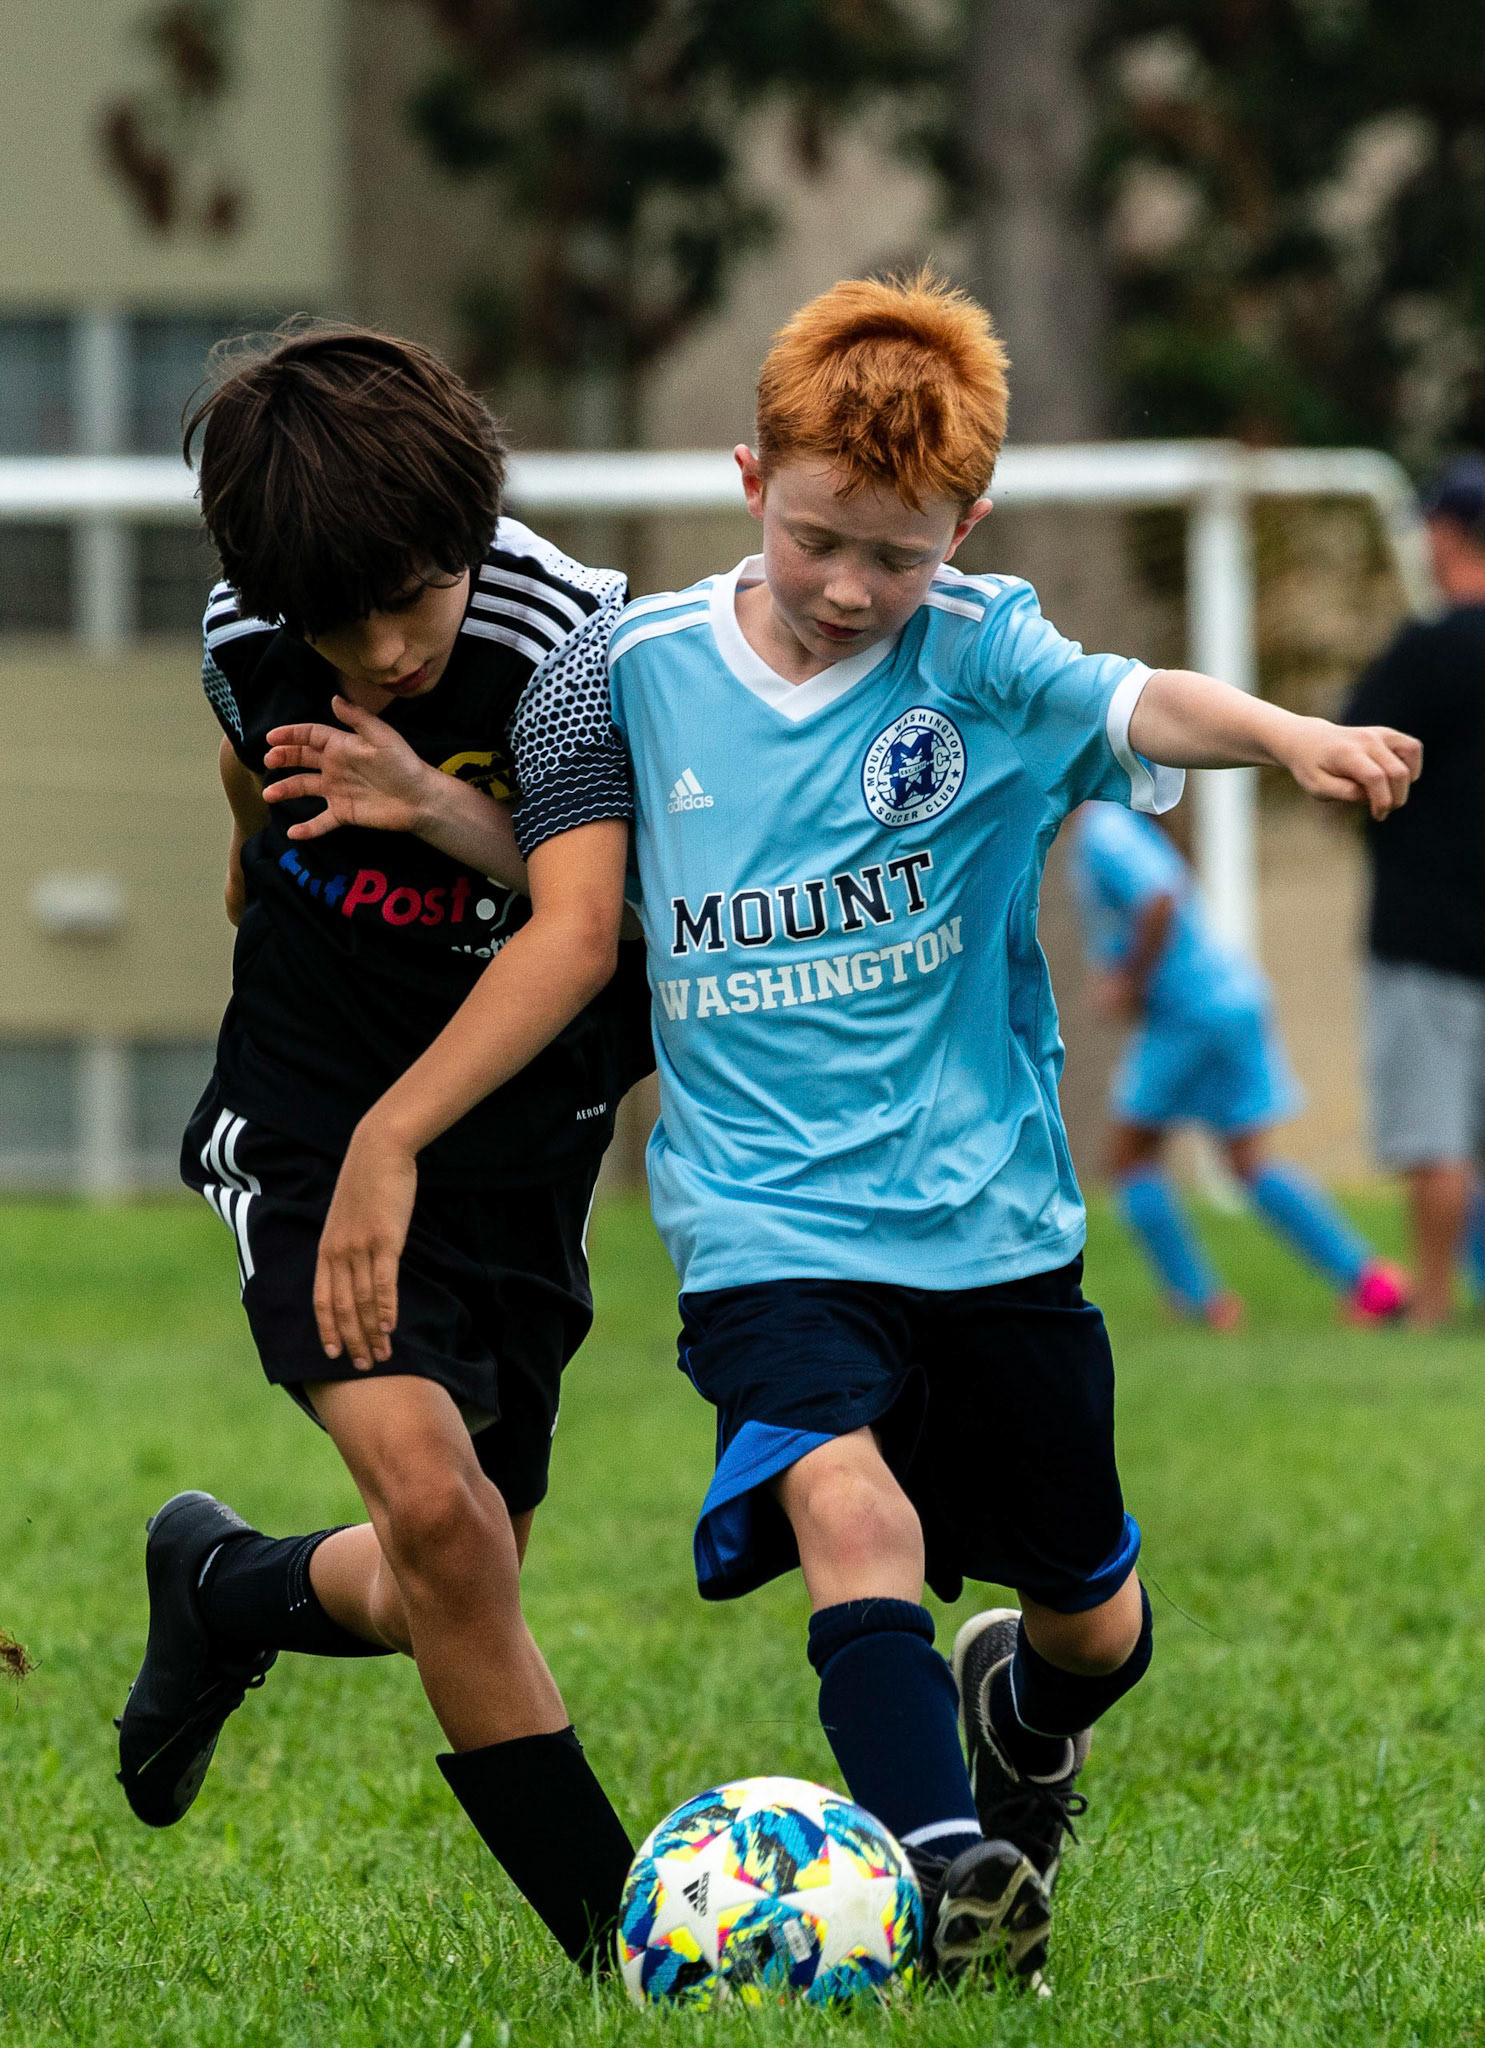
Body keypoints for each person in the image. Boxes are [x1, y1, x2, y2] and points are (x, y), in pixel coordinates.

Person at [306, 275, 1421, 1986]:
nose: (848, 587)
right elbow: (584, 900)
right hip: (763, 1220)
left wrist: (1295, 737)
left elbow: (1144, 706)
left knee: (1095, 1626)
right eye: (820, 536)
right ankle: (936, 1865)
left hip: (990, 1220)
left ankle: (1021, 1728)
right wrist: (444, 814)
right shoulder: (640, 671)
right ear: (752, 480)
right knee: (849, 1503)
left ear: (961, 526)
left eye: (894, 555)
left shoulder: (982, 653)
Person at [115, 325, 651, 1971]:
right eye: (337, 626)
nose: (382, 648)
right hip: (304, 1106)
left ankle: (225, 1586)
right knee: (440, 1521)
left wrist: (425, 807)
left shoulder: (570, 641)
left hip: (506, 1130)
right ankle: (634, 1952)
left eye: (409, 602)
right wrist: (245, 858)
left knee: (464, 1565)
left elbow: (580, 926)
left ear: (469, 531)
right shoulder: (253, 621)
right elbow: (241, 747)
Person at [1067, 801, 1409, 1328]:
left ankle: (1201, 1303)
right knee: (1249, 1161)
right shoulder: (1126, 823)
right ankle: (1370, 1283)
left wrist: (1128, 980)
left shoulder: (1104, 824)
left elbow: (1158, 900)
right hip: (1231, 999)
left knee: (1130, 1158)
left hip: (1188, 1012)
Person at [1345, 455, 1485, 1326]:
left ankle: (1430, 1302)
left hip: (1427, 933)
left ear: (1442, 534)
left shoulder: (1429, 651)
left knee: (1435, 1136)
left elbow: (1352, 756)